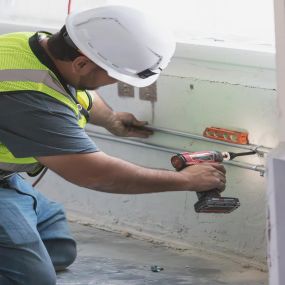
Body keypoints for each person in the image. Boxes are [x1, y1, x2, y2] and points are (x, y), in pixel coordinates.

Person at [0, 5, 226, 285]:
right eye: (113, 76)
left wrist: (112, 120)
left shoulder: (35, 45)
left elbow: (73, 91)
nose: (114, 82)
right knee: (31, 280)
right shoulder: (28, 97)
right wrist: (185, 181)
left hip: (6, 179)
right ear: (82, 63)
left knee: (58, 248)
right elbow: (96, 174)